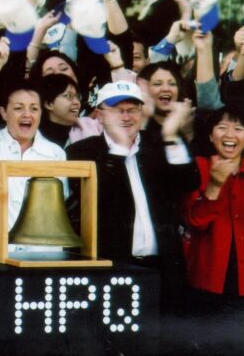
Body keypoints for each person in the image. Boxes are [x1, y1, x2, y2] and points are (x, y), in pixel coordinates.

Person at [66, 81, 199, 318]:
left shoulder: (157, 144)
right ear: (99, 114)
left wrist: (170, 136)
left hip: (163, 266)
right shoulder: (82, 151)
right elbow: (99, 193)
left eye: (133, 109)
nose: (126, 117)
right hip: (114, 266)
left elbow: (189, 182)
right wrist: (118, 147)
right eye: (118, 110)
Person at [183, 105, 244, 356]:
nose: (230, 134)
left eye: (238, 128)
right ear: (209, 135)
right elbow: (194, 221)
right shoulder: (198, 166)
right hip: (207, 280)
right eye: (222, 127)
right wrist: (215, 187)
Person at [0, 38, 67, 258]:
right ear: (3, 113)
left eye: (34, 108)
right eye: (18, 108)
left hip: (38, 256)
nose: (27, 114)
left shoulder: (55, 154)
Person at [37, 73, 102, 149]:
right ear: (49, 104)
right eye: (68, 96)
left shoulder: (92, 126)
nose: (77, 102)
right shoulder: (33, 137)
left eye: (77, 97)